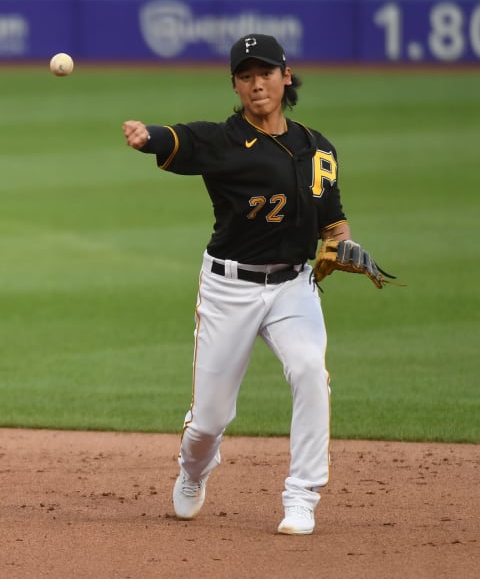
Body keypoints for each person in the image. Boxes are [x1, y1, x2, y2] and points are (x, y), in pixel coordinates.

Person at [122, 33, 352, 535]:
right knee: (208, 420)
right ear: (235, 84)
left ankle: (302, 496)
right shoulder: (223, 140)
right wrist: (147, 136)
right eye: (245, 76)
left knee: (311, 370)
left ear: (285, 76)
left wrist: (340, 244)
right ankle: (193, 471)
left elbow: (333, 222)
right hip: (230, 288)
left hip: (294, 286)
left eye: (265, 73)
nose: (256, 84)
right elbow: (179, 138)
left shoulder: (318, 148)